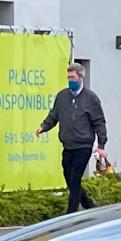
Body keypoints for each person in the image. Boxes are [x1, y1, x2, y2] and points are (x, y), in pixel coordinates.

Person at [37, 62, 108, 213]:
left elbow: (99, 122)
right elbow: (54, 115)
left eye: (73, 77)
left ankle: (71, 214)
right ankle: (89, 206)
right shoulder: (62, 96)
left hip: (83, 145)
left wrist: (101, 145)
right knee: (69, 178)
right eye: (68, 77)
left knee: (75, 178)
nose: (70, 80)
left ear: (81, 78)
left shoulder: (91, 98)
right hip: (68, 145)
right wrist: (43, 127)